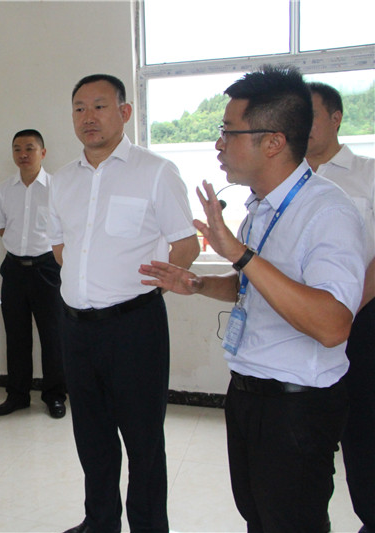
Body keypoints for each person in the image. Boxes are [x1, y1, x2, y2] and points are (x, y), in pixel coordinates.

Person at [139, 66, 370, 532]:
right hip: (249, 394)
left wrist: (240, 254)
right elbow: (253, 287)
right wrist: (199, 284)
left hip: (297, 407)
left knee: (292, 522)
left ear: (273, 142)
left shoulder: (328, 212)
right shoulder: (259, 208)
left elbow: (332, 325)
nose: (218, 144)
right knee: (258, 518)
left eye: (229, 132)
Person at [50, 74, 200, 533]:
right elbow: (60, 247)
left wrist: (153, 287)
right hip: (76, 328)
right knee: (91, 436)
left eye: (99, 106)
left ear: (125, 112)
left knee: (143, 441)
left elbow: (186, 243)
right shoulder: (61, 180)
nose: (88, 117)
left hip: (134, 327)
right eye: (79, 108)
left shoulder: (155, 171)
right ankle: (100, 522)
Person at [306, 81, 375, 533]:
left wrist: (346, 309)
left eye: (310, 115)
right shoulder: (285, 179)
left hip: (362, 321)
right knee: (308, 438)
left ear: (336, 118)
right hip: (300, 325)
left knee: (364, 432)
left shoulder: (366, 173)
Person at [0, 129, 66, 419]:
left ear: (42, 153)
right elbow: (1, 227)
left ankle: (55, 395)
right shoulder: (4, 189)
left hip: (47, 268)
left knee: (53, 336)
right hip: (14, 269)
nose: (23, 154)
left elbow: (66, 229)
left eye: (29, 148)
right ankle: (17, 395)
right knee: (16, 335)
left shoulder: (57, 188)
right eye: (17, 149)